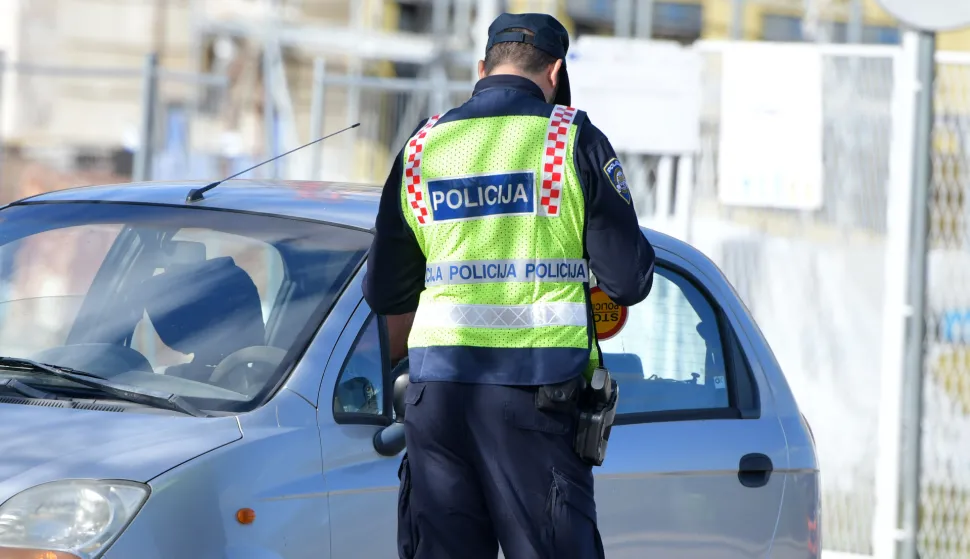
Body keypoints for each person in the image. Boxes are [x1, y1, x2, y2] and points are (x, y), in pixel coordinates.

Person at [363, 12, 656, 559]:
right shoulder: (569, 139)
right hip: (535, 403)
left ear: (482, 68)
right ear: (556, 71)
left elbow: (385, 292)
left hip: (438, 403)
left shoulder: (423, 147)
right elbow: (629, 280)